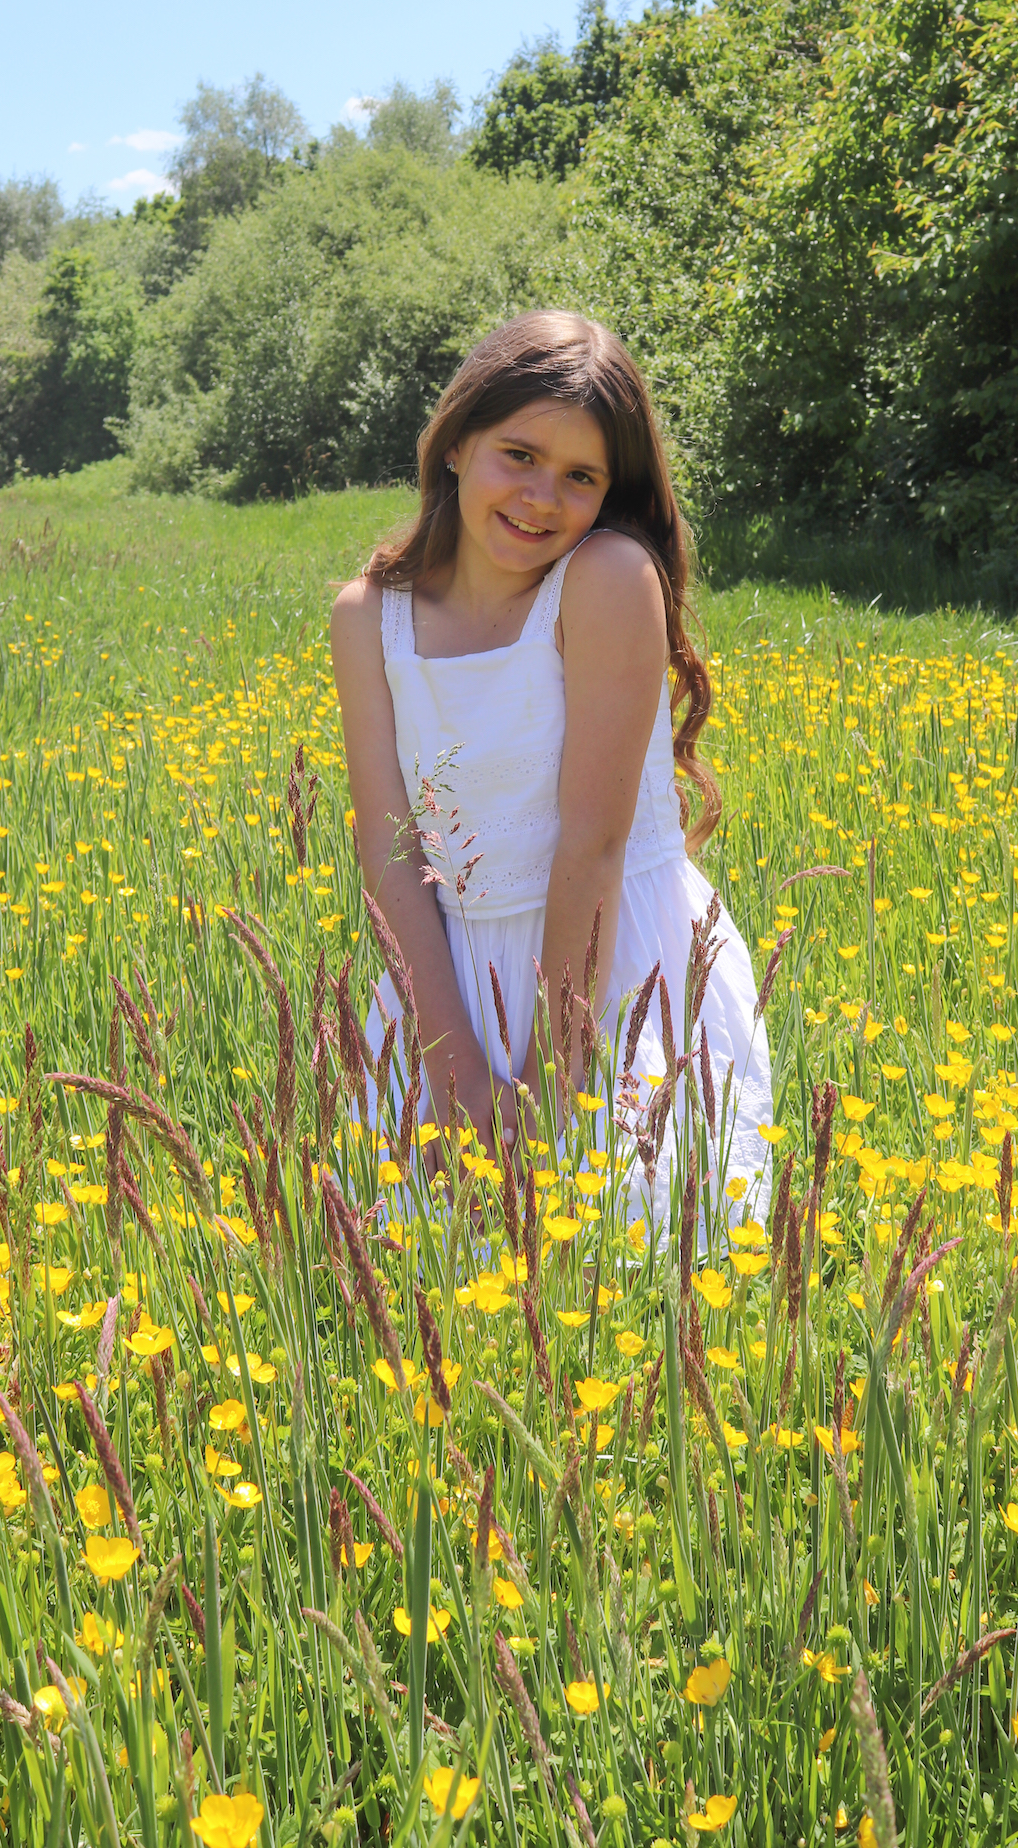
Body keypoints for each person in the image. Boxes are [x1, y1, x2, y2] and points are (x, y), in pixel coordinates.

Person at [330, 309, 773, 1225]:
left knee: (627, 1270)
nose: (541, 497)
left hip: (612, 965)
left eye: (580, 477)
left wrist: (555, 1075)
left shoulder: (606, 578)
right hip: (447, 979)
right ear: (456, 442)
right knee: (428, 1281)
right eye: (519, 455)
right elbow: (389, 850)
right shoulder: (370, 614)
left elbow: (593, 845)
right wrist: (448, 1053)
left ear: (610, 494)